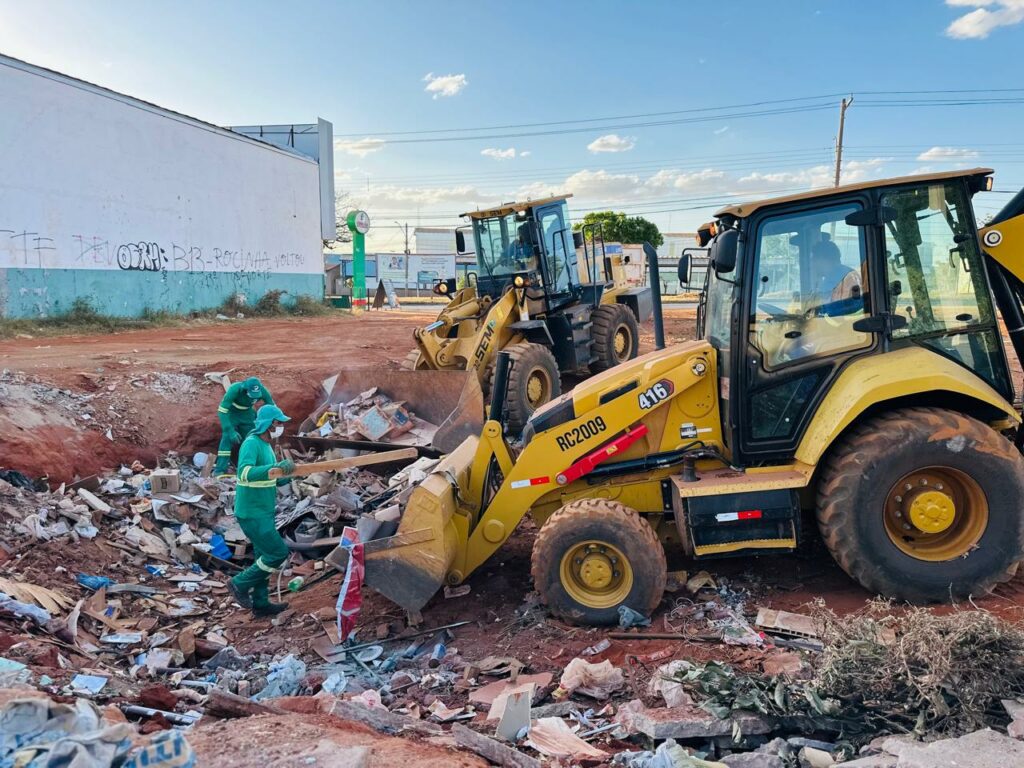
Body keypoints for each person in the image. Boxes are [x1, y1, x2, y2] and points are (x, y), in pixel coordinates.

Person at [227, 404, 296, 617]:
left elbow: (272, 476)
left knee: (262, 556)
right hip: (252, 512)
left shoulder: (267, 446)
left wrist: (290, 472)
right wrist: (274, 468)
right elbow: (245, 473)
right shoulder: (251, 443)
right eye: (278, 422)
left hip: (264, 510)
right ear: (268, 424)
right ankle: (239, 583)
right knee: (277, 553)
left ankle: (261, 603)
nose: (281, 426)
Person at [214, 377, 275, 476]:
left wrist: (272, 422)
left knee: (250, 439)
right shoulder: (235, 389)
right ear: (245, 390)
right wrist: (230, 430)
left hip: (248, 415)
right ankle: (220, 469)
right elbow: (222, 411)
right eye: (251, 395)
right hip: (232, 414)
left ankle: (248, 467)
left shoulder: (262, 390)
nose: (253, 398)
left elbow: (272, 407)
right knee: (227, 439)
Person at [810, 236, 861, 307]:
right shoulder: (851, 273)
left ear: (822, 259)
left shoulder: (831, 282)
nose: (812, 264)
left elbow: (826, 311)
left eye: (814, 259)